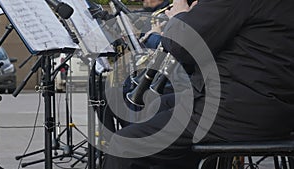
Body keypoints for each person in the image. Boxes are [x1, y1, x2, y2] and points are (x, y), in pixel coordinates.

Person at [102, 0, 294, 168]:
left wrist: (180, 16)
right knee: (160, 104)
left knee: (124, 144)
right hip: (275, 108)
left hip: (237, 111)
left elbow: (182, 45)